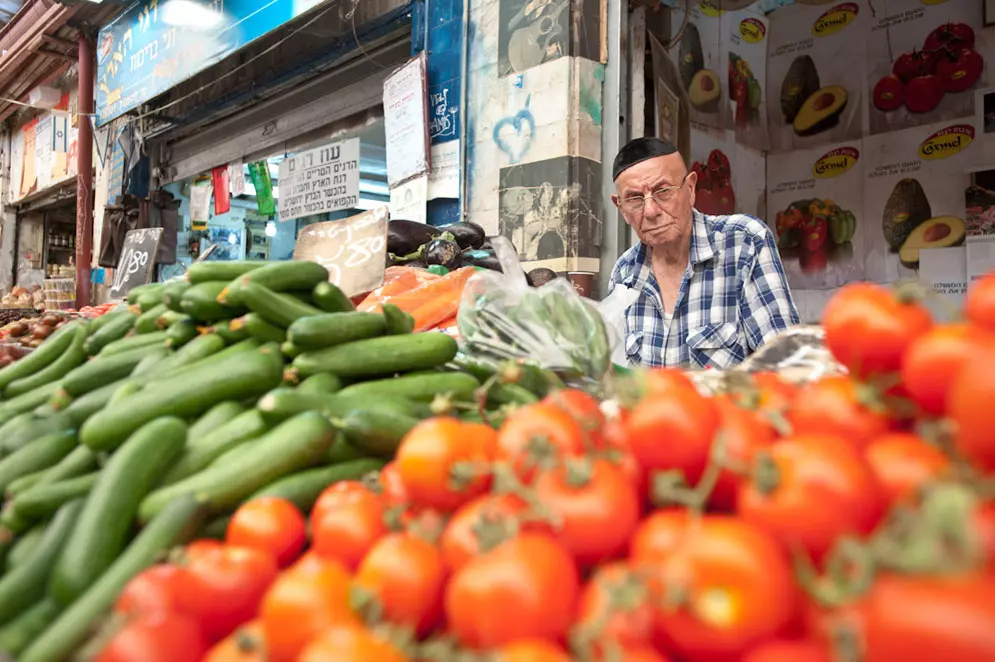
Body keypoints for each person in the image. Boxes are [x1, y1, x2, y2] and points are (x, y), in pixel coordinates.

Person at [608, 137, 799, 369]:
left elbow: (785, 367)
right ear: (621, 209)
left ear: (690, 189)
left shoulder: (744, 242)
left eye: (663, 191)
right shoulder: (624, 273)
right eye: (634, 199)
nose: (650, 211)